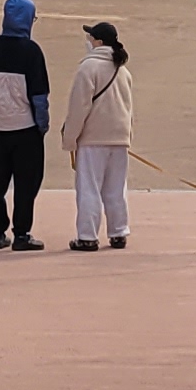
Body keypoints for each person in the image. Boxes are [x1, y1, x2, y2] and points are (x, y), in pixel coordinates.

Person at [0, 0, 52, 252]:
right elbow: (39, 95)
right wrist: (42, 125)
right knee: (26, 184)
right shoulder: (32, 52)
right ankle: (21, 234)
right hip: (26, 130)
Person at [58, 19, 135, 249]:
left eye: (91, 37)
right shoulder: (123, 71)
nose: (88, 40)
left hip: (93, 139)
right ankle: (119, 232)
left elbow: (78, 108)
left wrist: (69, 139)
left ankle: (88, 236)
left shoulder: (88, 68)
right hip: (120, 139)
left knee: (89, 188)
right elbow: (129, 109)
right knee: (116, 188)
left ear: (98, 42)